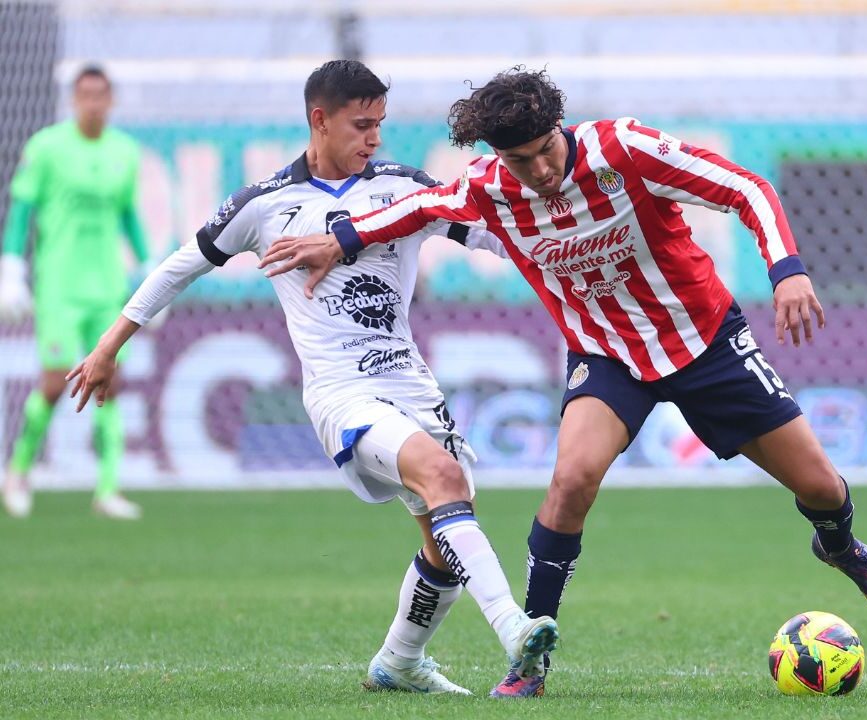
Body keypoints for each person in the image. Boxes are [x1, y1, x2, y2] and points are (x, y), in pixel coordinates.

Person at [259, 66, 867, 699]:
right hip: (607, 357)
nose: (539, 171)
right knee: (571, 481)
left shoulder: (625, 149)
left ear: (560, 126)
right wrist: (339, 240)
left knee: (821, 486)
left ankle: (840, 546)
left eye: (546, 151)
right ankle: (531, 657)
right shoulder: (488, 188)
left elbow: (746, 188)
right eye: (521, 160)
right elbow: (417, 209)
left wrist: (787, 269)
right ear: (498, 156)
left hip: (702, 340)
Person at [66, 60, 558, 696]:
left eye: (380, 124)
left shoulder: (403, 187)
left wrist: (558, 247)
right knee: (441, 479)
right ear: (319, 120)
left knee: (446, 532)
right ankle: (515, 629)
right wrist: (109, 347)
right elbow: (177, 269)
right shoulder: (265, 204)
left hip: (412, 386)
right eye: (361, 125)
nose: (375, 138)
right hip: (341, 395)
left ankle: (399, 662)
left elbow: (490, 236)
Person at [1, 65, 150, 520]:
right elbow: (23, 209)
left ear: (111, 100)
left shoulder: (124, 152)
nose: (92, 102)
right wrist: (11, 267)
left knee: (111, 383)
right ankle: (18, 471)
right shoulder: (46, 148)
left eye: (100, 95)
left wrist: (146, 267)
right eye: (84, 94)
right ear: (73, 99)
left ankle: (107, 489)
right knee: (52, 383)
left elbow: (128, 215)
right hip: (59, 286)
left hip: (106, 286)